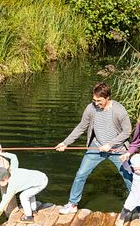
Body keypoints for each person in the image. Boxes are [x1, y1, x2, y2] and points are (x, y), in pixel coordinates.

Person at [55, 82, 133, 215]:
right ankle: (72, 204)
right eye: (94, 100)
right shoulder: (90, 108)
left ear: (108, 97)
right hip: (96, 147)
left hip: (117, 149)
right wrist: (66, 142)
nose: (96, 103)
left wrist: (110, 144)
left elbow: (127, 132)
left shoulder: (119, 110)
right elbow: (81, 127)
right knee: (81, 174)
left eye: (99, 101)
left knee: (128, 176)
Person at [0, 148, 48, 223]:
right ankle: (33, 210)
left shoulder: (13, 185)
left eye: (0, 182)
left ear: (5, 178)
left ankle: (29, 217)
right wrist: (2, 153)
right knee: (28, 191)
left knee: (23, 196)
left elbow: (5, 199)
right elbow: (14, 157)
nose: (0, 185)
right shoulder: (12, 169)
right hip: (40, 177)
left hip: (41, 183)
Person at [115, 153, 140, 226]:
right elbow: (127, 167)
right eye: (135, 169)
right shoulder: (134, 172)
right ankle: (121, 219)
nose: (137, 171)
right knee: (126, 208)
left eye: (139, 169)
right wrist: (124, 161)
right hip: (133, 196)